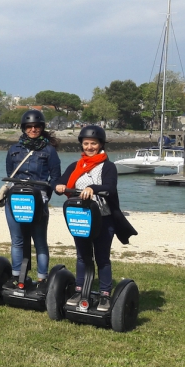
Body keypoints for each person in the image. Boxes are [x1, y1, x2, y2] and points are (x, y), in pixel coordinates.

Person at [55, 125, 137, 311]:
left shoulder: (108, 166)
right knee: (82, 256)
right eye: (86, 144)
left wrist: (92, 188)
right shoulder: (76, 166)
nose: (89, 147)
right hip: (81, 218)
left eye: (93, 143)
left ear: (100, 144)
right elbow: (60, 181)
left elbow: (110, 187)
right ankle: (79, 290)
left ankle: (105, 294)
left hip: (103, 219)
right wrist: (59, 187)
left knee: (102, 258)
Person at [4, 109, 61, 288]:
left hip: (38, 199)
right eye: (29, 126)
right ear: (24, 128)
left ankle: (42, 279)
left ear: (42, 128)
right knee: (17, 240)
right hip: (16, 199)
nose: (33, 129)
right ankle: (16, 276)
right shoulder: (14, 150)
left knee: (40, 241)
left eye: (37, 126)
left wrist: (47, 194)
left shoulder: (49, 151)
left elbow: (55, 178)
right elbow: (10, 173)